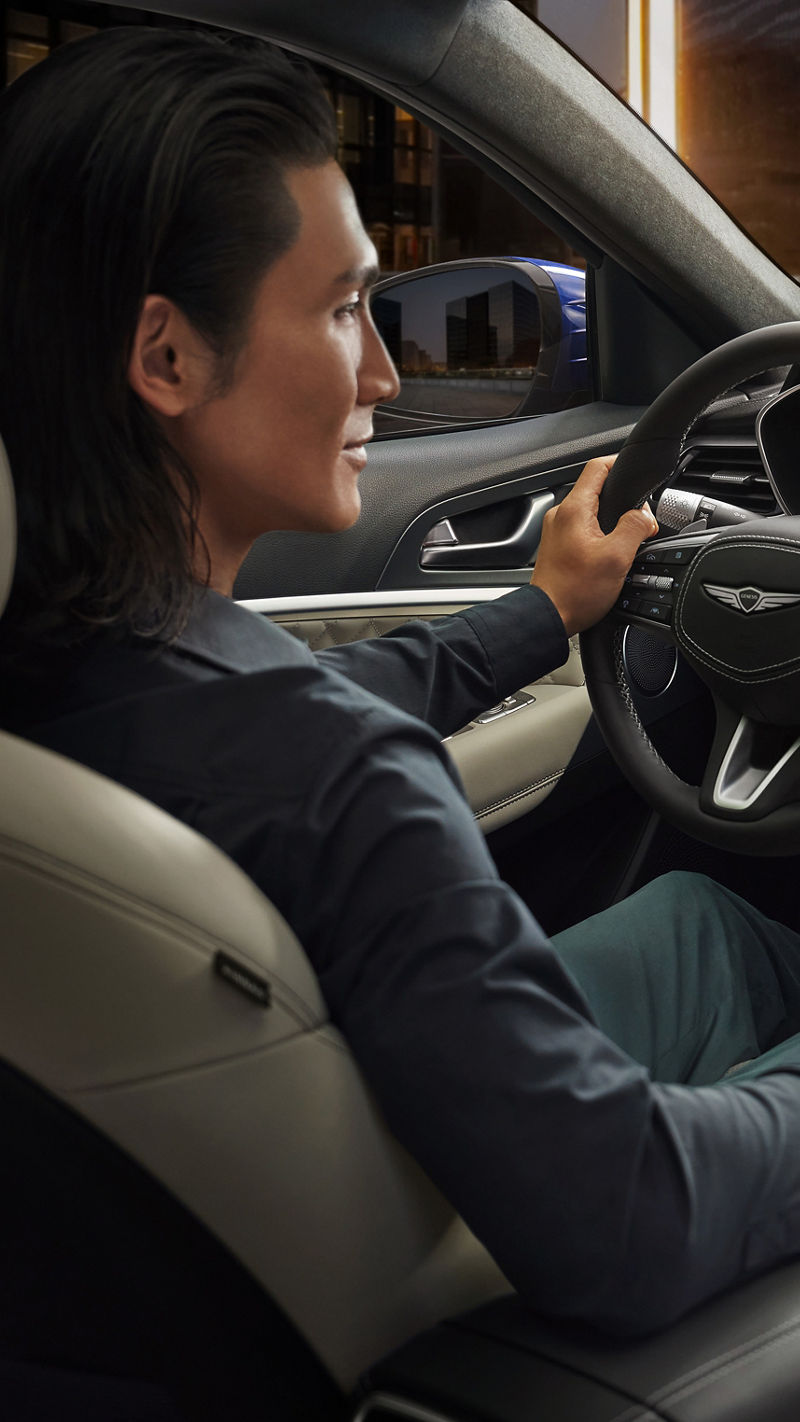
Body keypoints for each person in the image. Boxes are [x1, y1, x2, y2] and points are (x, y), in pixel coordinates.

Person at [2, 24, 800, 1340]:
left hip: (198, 1217)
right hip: (457, 1272)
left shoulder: (80, 669)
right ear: (165, 359)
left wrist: (543, 611)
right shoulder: (329, 776)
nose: (384, 367)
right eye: (340, 308)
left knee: (712, 927)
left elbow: (288, 715)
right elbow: (633, 1222)